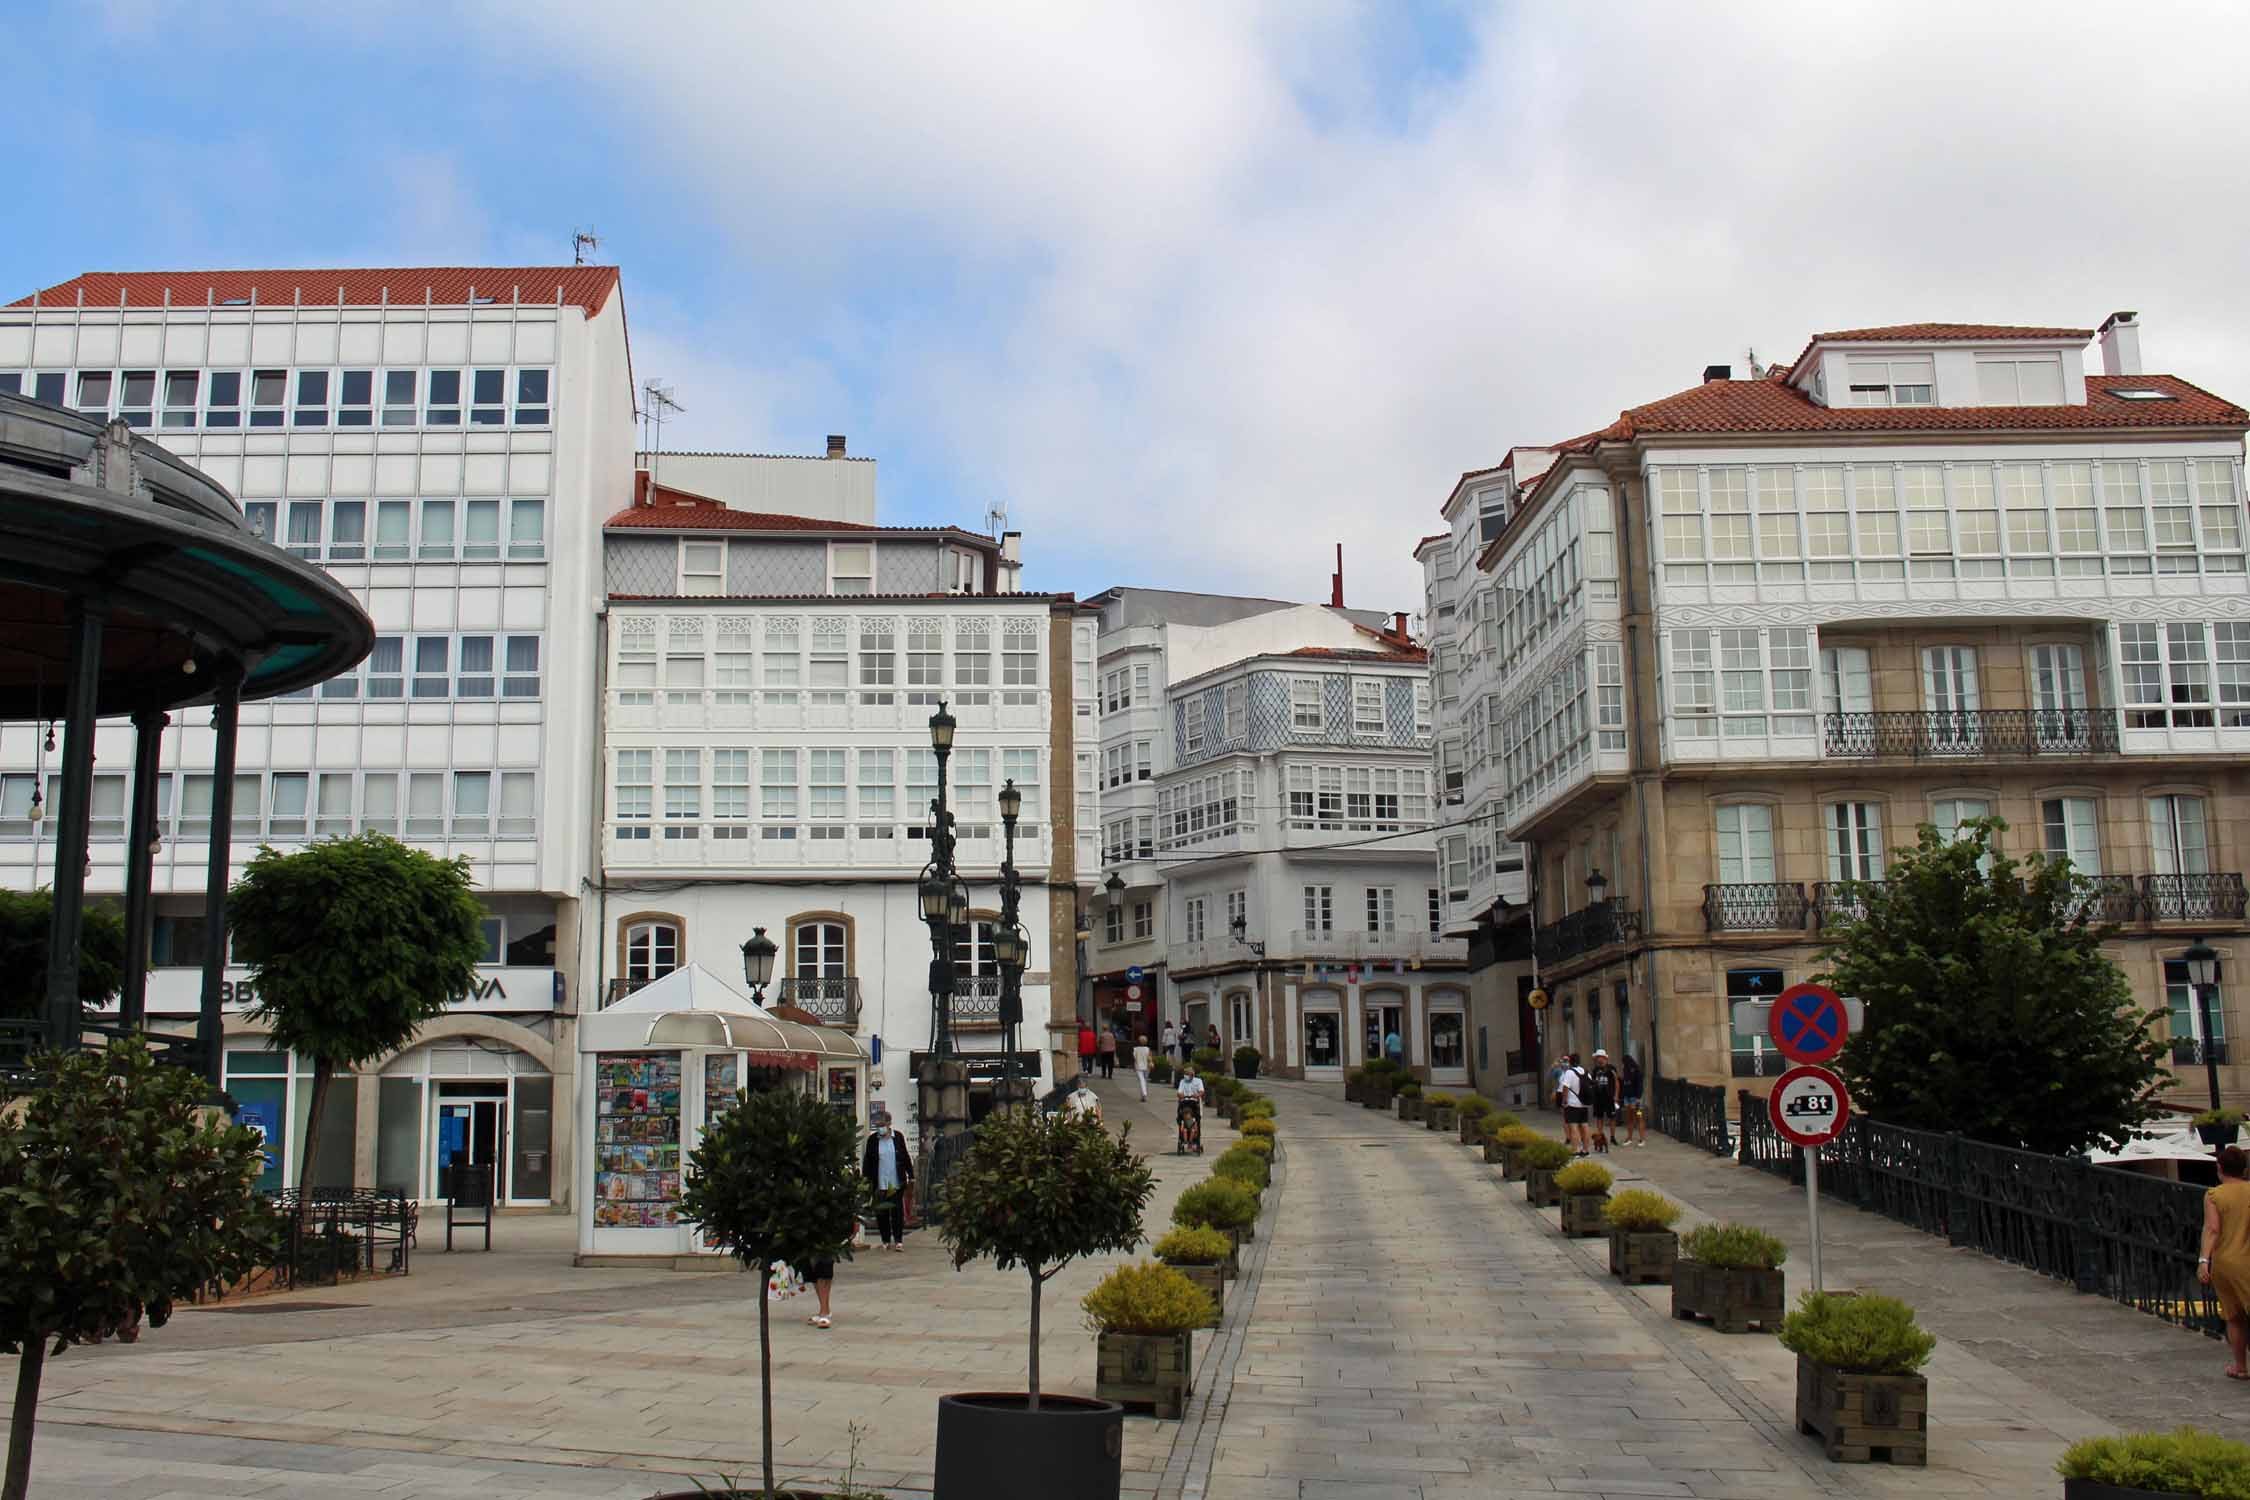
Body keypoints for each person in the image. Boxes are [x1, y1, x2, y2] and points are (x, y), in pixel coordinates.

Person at [2203, 1144, 2250, 1379]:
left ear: (2220, 1168)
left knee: (2234, 1316)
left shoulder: (2214, 1195)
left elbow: (2212, 1229)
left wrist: (2204, 1261)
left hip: (2224, 1262)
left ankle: (2240, 1367)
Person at [861, 1109, 913, 1252]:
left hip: (895, 1181)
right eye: (877, 1125)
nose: (880, 1128)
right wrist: (866, 1180)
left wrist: (911, 1175)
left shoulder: (898, 1137)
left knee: (896, 1211)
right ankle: (885, 1239)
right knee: (882, 1213)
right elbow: (868, 1161)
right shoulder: (872, 1140)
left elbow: (905, 1157)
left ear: (889, 1123)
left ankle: (898, 1240)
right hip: (879, 1182)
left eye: (882, 1124)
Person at [1585, 1049, 1621, 1153]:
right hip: (1598, 1097)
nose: (1597, 1060)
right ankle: (1599, 1136)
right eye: (1596, 1058)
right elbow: (1592, 1082)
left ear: (1604, 1058)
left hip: (1609, 1097)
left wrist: (1616, 1095)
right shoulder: (1595, 1069)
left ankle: (1612, 1136)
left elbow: (1616, 1082)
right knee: (1599, 1117)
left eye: (1598, 1057)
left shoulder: (1611, 1068)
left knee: (1612, 1117)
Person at [1558, 1053, 1590, 1156]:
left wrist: (1564, 1100)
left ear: (1571, 1061)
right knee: (1585, 1126)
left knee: (1573, 1127)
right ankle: (1585, 1150)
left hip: (1572, 1104)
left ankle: (1575, 1150)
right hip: (1584, 1104)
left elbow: (1565, 1087)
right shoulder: (1586, 1072)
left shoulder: (1569, 1072)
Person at [1175, 1064, 1206, 1153]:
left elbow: (1201, 1091)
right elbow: (1179, 1092)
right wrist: (1181, 1095)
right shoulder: (1182, 1081)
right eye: (1185, 1074)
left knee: (1197, 1120)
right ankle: (1183, 1140)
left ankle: (1195, 1141)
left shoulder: (1198, 1081)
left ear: (1192, 1075)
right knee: (1182, 1119)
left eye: (1187, 1074)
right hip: (1184, 1103)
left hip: (1194, 1103)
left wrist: (1197, 1095)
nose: (1186, 1075)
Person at [1619, 1051, 1646, 1146]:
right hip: (1628, 1098)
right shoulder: (1626, 1071)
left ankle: (1642, 1138)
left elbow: (1639, 1085)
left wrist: (1638, 1097)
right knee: (1629, 1118)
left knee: (1639, 1116)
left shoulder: (1636, 1071)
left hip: (1635, 1098)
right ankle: (1629, 1137)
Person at [1132, 1036, 1153, 1102]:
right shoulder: (1148, 1049)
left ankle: (1143, 1094)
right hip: (1147, 1067)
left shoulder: (1135, 1049)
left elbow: (1135, 1059)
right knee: (1144, 1081)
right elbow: (1150, 1058)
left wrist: (1134, 1067)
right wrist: (1151, 1063)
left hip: (1139, 1067)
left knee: (1142, 1080)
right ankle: (1143, 1095)